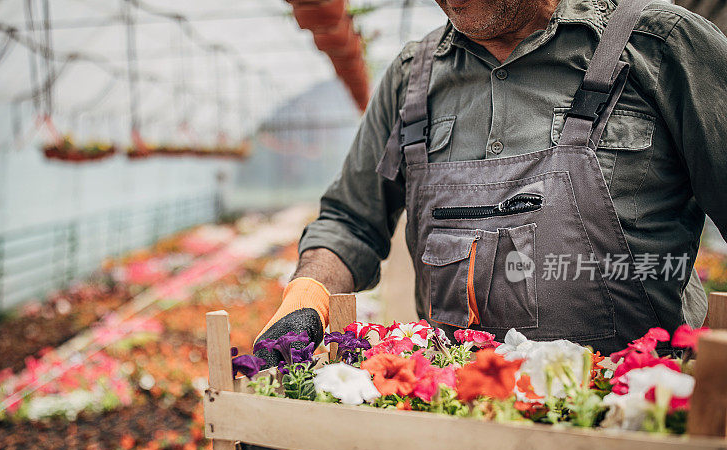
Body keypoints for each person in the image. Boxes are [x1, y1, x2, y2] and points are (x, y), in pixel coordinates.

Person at [254, 0, 727, 367]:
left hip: (634, 427)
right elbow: (352, 219)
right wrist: (309, 294)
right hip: (457, 418)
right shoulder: (410, 79)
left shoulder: (661, 47)